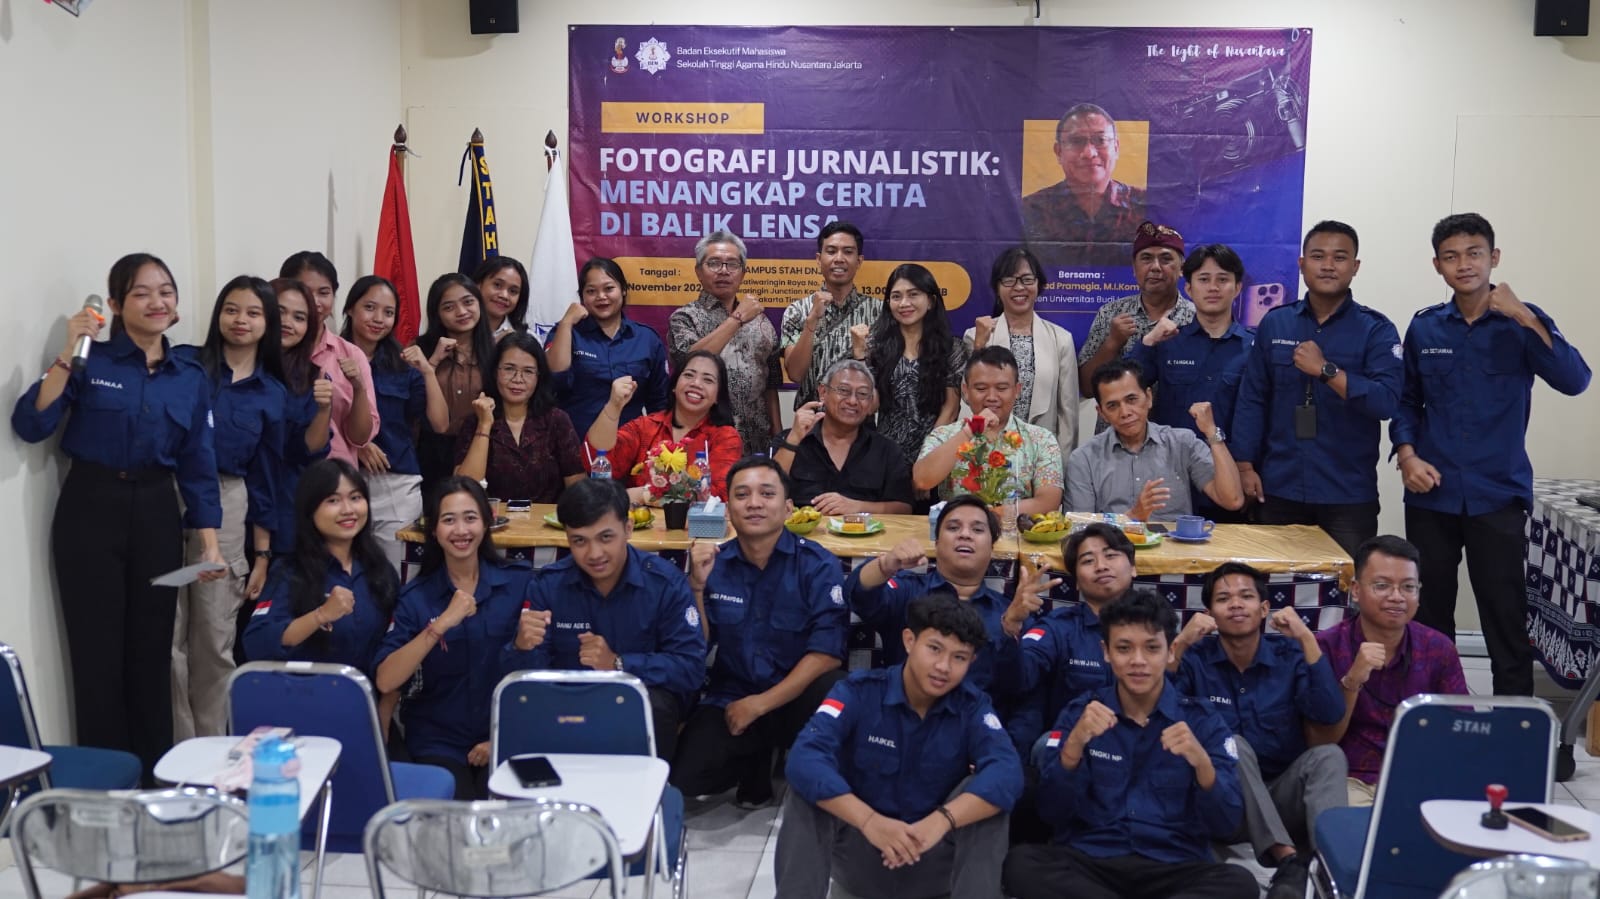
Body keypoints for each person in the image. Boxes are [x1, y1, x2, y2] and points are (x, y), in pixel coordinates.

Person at [12, 253, 225, 779]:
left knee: (152, 655)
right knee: (96, 656)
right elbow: (32, 423)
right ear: (114, 304)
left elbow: (199, 463)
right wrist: (67, 350)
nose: (158, 302)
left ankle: (151, 778)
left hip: (156, 511)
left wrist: (210, 542)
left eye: (166, 291)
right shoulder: (92, 362)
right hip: (90, 509)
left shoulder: (190, 376)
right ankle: (105, 782)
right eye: (142, 293)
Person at [1394, 213, 1590, 697]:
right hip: (1430, 494)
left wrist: (1523, 314)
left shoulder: (1523, 323)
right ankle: (1436, 715)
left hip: (1497, 495)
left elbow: (1575, 380)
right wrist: (1407, 455)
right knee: (1431, 615)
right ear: (1438, 266)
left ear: (1493, 258)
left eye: (1474, 253)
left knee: (1505, 618)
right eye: (1451, 256)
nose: (1464, 264)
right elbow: (1406, 401)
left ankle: (1514, 726)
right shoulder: (1425, 327)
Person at [1003, 591, 1256, 899]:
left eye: (1151, 648)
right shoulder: (1081, 713)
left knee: (1238, 884)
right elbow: (1052, 813)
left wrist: (1202, 765)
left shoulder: (1201, 720)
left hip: (1174, 867)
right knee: (1022, 864)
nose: (1138, 661)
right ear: (1106, 652)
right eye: (1124, 648)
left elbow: (1226, 823)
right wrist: (1072, 750)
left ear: (1171, 651)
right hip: (1092, 862)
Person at [776, 595, 1023, 899]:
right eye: (934, 649)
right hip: (863, 856)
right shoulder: (857, 692)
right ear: (909, 640)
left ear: (972, 662)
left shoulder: (973, 708)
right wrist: (870, 821)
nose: (943, 667)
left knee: (987, 796)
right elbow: (803, 758)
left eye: (959, 657)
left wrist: (940, 821)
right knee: (809, 787)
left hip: (932, 861)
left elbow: (1008, 772)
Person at [673, 457, 849, 807]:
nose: (754, 503)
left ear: (787, 508)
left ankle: (778, 751)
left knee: (834, 690)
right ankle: (758, 755)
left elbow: (827, 653)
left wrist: (760, 706)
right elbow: (699, 645)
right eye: (742, 495)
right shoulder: (714, 564)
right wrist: (695, 586)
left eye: (766, 494)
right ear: (728, 510)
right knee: (687, 779)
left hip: (796, 697)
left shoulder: (816, 564)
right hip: (734, 695)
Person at [1169, 562, 1347, 899]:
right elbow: (1159, 715)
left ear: (1264, 608)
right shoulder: (1196, 659)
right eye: (1224, 599)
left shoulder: (1289, 654)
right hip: (1222, 805)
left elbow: (1330, 712)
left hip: (1280, 797)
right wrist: (1180, 644)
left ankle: (1333, 866)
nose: (1235, 604)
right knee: (1231, 743)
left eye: (1246, 596)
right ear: (1210, 613)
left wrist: (1307, 638)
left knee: (1329, 756)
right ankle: (1289, 860)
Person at [1232, 221, 1403, 555]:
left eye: (1339, 257)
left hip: (1347, 494)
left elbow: (1386, 402)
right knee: (1272, 590)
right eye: (1318, 256)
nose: (1327, 265)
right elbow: (1253, 398)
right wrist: (1244, 465)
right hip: (1278, 486)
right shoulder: (1276, 322)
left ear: (1355, 267)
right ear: (1301, 264)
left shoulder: (1376, 330)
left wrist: (1326, 370)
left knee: (1345, 596)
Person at [171, 276, 287, 740]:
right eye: (232, 309)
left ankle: (211, 747)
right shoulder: (184, 366)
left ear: (267, 323)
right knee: (167, 637)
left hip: (228, 503)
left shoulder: (272, 393)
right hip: (169, 495)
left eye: (253, 313)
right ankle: (176, 750)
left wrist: (261, 556)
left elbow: (265, 478)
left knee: (213, 637)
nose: (241, 320)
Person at [519, 478, 708, 761]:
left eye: (606, 537)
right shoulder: (547, 585)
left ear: (628, 528)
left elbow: (691, 668)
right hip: (568, 707)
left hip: (638, 708)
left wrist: (619, 664)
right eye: (579, 541)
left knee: (656, 704)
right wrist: (521, 646)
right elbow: (531, 678)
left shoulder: (665, 583)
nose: (594, 554)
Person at [373, 477, 536, 799]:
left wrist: (503, 736)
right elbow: (386, 680)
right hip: (439, 740)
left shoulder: (520, 583)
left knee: (511, 816)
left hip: (508, 735)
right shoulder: (416, 597)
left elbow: (539, 670)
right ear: (433, 530)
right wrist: (441, 624)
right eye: (449, 520)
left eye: (470, 518)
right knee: (453, 820)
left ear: (488, 523)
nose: (461, 530)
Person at [1309, 535, 1467, 806]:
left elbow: (1461, 730)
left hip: (1419, 778)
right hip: (1349, 779)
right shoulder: (1326, 647)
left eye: (1408, 587)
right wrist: (1352, 681)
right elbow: (1318, 742)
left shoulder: (1439, 648)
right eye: (1382, 586)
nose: (1396, 597)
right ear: (1356, 590)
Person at [848, 495, 1057, 699]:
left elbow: (1022, 685)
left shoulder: (1012, 611)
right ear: (937, 543)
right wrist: (885, 564)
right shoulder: (907, 590)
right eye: (953, 527)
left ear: (991, 549)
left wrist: (1009, 628)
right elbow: (857, 596)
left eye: (977, 529)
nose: (965, 534)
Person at [243, 459, 399, 673]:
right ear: (310, 509)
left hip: (365, 699)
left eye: (355, 498)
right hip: (305, 697)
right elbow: (256, 643)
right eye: (333, 500)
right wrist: (320, 616)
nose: (348, 510)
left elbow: (393, 644)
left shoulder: (381, 570)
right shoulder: (290, 570)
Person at [996, 522, 1133, 755]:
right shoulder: (1058, 627)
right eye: (1088, 561)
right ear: (1077, 582)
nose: (1101, 566)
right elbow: (1019, 679)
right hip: (1073, 751)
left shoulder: (1156, 624)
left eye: (1110, 555)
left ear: (1134, 568)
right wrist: (1012, 625)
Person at [341, 275, 448, 570]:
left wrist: (427, 370)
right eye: (369, 308)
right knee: (345, 575)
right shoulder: (330, 358)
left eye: (388, 313)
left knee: (401, 575)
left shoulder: (402, 366)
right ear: (350, 309)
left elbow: (439, 423)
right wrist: (358, 443)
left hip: (396, 483)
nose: (379, 319)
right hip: (340, 481)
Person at [1067, 359, 1244, 519]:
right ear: (1102, 413)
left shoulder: (1182, 443)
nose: (1125, 412)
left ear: (1149, 398)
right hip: (1114, 550)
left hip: (1176, 551)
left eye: (1131, 399)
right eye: (1113, 406)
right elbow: (1080, 527)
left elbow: (1232, 500)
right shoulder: (1084, 459)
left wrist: (1212, 433)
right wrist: (1132, 517)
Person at [914, 347, 1065, 517]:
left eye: (1001, 388)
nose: (991, 397)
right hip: (959, 533)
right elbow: (922, 480)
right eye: (981, 388)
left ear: (1017, 390)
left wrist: (991, 516)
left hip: (1016, 535)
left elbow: (1048, 502)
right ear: (965, 390)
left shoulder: (1041, 439)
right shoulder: (944, 435)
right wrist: (970, 431)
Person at [964, 246, 1079, 465]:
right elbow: (967, 397)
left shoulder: (1061, 339)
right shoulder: (976, 335)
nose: (1019, 287)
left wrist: (1061, 468)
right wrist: (979, 346)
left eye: (1027, 279)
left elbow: (1068, 416)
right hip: (988, 452)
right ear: (997, 288)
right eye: (1009, 280)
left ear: (1039, 284)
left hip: (1040, 456)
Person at [668, 230, 780, 455]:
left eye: (732, 264)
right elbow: (688, 362)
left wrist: (778, 436)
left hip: (757, 440)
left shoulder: (760, 321)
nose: (723, 271)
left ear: (743, 272)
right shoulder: (685, 318)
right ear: (699, 272)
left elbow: (771, 383)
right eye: (714, 263)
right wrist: (737, 319)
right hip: (704, 441)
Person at [1129, 243, 1256, 440]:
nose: (1213, 288)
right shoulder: (1168, 342)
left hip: (1232, 464)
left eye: (1222, 279)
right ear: (1189, 288)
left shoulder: (1254, 347)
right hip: (1173, 464)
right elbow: (1126, 388)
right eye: (1203, 279)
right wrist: (1147, 342)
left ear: (1238, 288)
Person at [585, 349, 743, 504]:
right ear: (674, 386)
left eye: (708, 380)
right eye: (689, 375)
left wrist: (645, 494)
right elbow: (599, 463)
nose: (696, 384)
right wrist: (614, 405)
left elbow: (718, 495)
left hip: (696, 527)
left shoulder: (725, 437)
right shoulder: (646, 427)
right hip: (638, 526)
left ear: (717, 396)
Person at [854, 263, 966, 473]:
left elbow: (950, 410)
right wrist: (860, 357)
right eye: (896, 296)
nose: (904, 303)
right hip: (886, 460)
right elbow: (870, 406)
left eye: (913, 294)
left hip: (937, 456)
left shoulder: (951, 348)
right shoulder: (876, 347)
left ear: (931, 301)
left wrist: (926, 461)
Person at [545, 257, 671, 438]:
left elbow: (659, 403)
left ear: (624, 290)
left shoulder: (647, 339)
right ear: (582, 297)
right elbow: (551, 380)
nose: (601, 296)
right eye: (591, 291)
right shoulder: (566, 332)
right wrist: (566, 322)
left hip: (630, 449)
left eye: (609, 288)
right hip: (573, 447)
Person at [454, 331, 586, 502]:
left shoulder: (556, 420)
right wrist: (484, 425)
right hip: (492, 521)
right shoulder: (475, 421)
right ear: (495, 372)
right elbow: (465, 491)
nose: (518, 379)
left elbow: (578, 490)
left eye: (528, 371)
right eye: (509, 369)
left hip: (545, 524)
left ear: (539, 377)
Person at [773, 359, 913, 514]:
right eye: (844, 390)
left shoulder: (887, 450)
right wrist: (794, 439)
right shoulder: (790, 440)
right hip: (802, 535)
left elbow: (904, 508)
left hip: (866, 536)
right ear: (823, 393)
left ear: (871, 403)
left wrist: (857, 507)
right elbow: (768, 489)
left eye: (862, 394)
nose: (853, 401)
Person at [1076, 221, 1196, 401]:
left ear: (1181, 268)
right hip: (1117, 427)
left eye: (1166, 259)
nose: (1155, 267)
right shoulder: (1111, 313)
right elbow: (1087, 388)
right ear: (1134, 268)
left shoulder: (1195, 318)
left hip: (1176, 427)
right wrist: (1113, 343)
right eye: (1146, 258)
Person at [1021, 103, 1149, 269]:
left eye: (1100, 140)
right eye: (1076, 141)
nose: (1089, 153)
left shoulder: (1143, 204)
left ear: (1116, 148)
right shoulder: (1032, 208)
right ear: (1058, 151)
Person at [280, 251, 379, 465]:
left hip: (336, 477)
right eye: (304, 291)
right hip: (280, 477)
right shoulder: (270, 351)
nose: (314, 301)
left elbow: (360, 438)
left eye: (324, 292)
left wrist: (358, 387)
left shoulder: (350, 354)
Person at [780, 222, 879, 409]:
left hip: (859, 421)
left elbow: (883, 379)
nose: (839, 259)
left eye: (848, 252)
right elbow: (795, 374)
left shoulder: (879, 312)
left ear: (859, 261)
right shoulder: (798, 310)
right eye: (831, 251)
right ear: (819, 259)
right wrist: (811, 321)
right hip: (811, 422)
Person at [412, 272, 496, 488]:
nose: (461, 312)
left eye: (468, 302)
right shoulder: (420, 350)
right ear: (437, 314)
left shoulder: (496, 352)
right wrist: (432, 362)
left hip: (482, 446)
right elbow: (411, 403)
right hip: (431, 451)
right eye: (449, 307)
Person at [269, 278, 333, 554]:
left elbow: (312, 449)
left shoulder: (312, 376)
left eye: (299, 317)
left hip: (286, 502)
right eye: (279, 311)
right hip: (233, 500)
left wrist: (324, 409)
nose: (287, 323)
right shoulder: (236, 368)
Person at [472, 256, 529, 338]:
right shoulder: (457, 331)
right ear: (479, 284)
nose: (504, 296)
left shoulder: (526, 338)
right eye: (497, 285)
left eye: (513, 291)